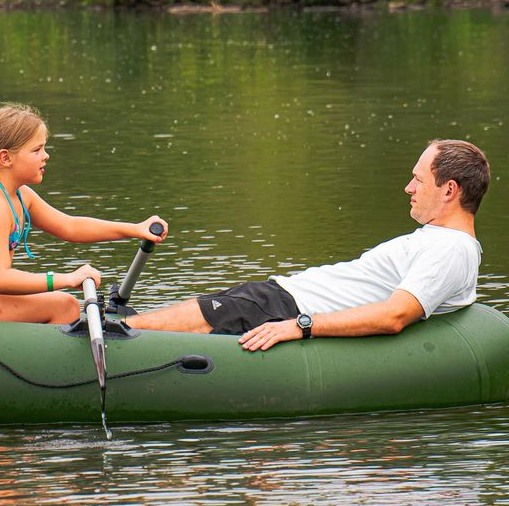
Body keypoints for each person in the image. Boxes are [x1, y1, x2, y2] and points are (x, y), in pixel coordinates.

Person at [127, 139, 489, 351]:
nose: (409, 189)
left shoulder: (451, 249)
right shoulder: (441, 241)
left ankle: (93, 342)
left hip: (287, 307)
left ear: (449, 190)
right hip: (279, 297)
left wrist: (300, 324)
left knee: (136, 336)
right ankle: (96, 330)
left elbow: (395, 316)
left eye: (418, 180)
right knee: (147, 324)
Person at [0, 103, 168, 324]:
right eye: (37, 150)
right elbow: (0, 279)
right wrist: (68, 278)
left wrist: (135, 229)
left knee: (64, 304)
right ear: (5, 158)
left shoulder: (19, 195)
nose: (46, 156)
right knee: (64, 305)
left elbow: (70, 227)